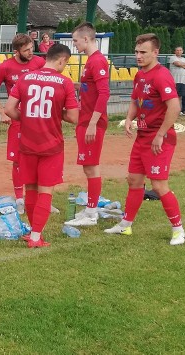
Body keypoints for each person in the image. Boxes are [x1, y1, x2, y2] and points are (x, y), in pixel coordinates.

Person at [104, 34, 185, 246]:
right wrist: (129, 118)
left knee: (159, 186)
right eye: (137, 52)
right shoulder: (140, 75)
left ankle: (178, 230)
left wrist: (160, 134)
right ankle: (125, 225)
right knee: (134, 180)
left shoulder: (162, 75)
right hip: (142, 138)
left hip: (160, 139)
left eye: (143, 52)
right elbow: (135, 99)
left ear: (155, 53)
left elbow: (174, 107)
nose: (138, 56)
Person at [4, 44, 79, 247]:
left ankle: (32, 231)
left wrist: (27, 118)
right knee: (46, 190)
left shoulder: (25, 78)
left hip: (27, 143)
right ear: (62, 60)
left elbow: (9, 109)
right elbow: (73, 116)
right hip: (51, 145)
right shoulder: (64, 82)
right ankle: (36, 236)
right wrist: (57, 114)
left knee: (31, 188)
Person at [0, 33, 56, 215]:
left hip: (39, 120)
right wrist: (2, 111)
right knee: (18, 160)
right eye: (26, 50)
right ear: (16, 51)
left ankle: (44, 198)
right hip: (18, 120)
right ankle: (19, 199)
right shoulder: (6, 67)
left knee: (42, 158)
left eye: (32, 48)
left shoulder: (40, 63)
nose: (31, 52)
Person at [64, 22, 110, 227]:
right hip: (85, 120)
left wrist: (93, 123)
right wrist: (69, 84)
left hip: (92, 122)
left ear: (86, 38)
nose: (74, 44)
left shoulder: (98, 61)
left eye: (75, 40)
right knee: (88, 167)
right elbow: (89, 87)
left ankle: (91, 214)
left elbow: (104, 93)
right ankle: (91, 209)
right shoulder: (91, 61)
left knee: (91, 168)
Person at [168, 46, 185, 116]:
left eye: (180, 50)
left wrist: (181, 65)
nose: (179, 51)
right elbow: (177, 64)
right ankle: (171, 110)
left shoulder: (184, 59)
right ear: (175, 51)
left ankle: (177, 110)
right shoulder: (173, 57)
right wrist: (184, 65)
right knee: (173, 96)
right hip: (175, 81)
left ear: (182, 51)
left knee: (179, 96)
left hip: (182, 81)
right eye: (177, 50)